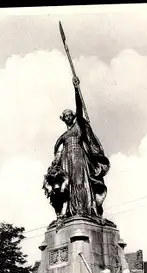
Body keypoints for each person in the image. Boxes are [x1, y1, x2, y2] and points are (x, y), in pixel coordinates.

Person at [52, 76, 110, 217]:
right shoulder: (63, 136)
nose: (67, 116)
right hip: (67, 160)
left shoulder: (79, 126)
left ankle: (82, 210)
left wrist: (76, 89)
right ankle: (70, 212)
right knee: (68, 186)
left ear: (73, 116)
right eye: (65, 115)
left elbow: (79, 108)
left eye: (69, 114)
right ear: (63, 118)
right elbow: (58, 152)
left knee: (79, 182)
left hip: (79, 158)